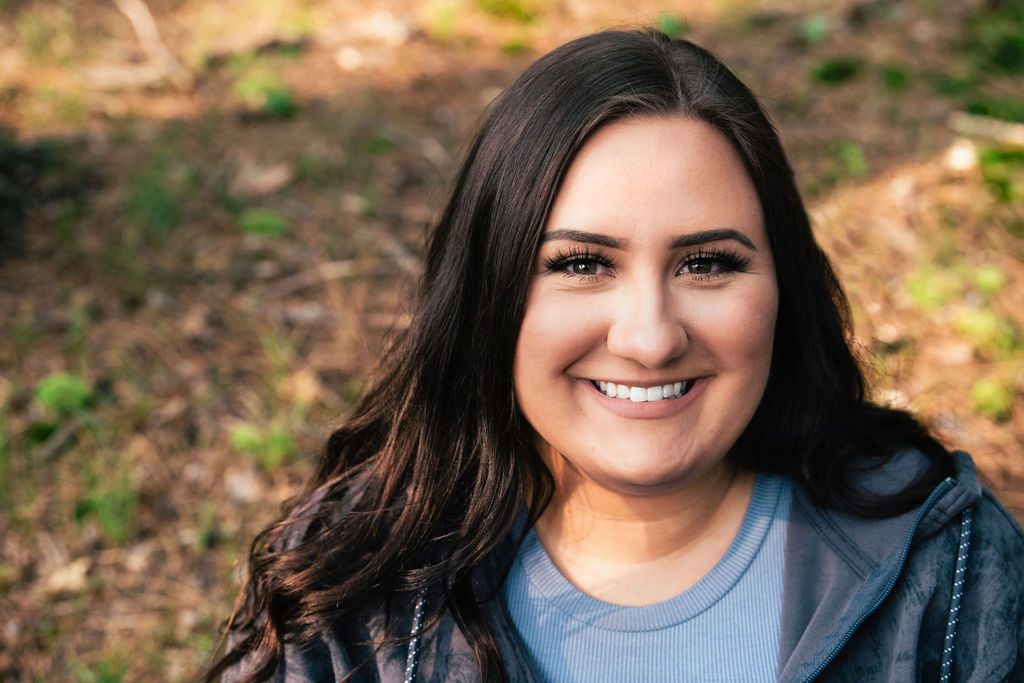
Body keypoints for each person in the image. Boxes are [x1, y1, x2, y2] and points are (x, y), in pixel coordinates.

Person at [208, 29, 1024, 682]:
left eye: (707, 263)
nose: (648, 336)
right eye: (580, 264)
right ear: (489, 297)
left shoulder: (945, 569)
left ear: (784, 288)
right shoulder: (353, 593)